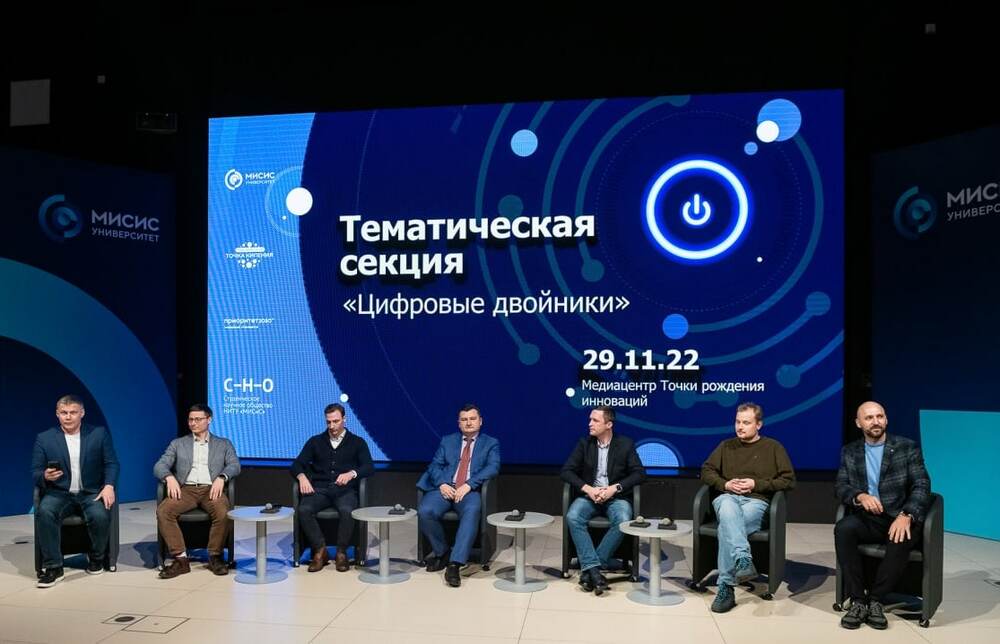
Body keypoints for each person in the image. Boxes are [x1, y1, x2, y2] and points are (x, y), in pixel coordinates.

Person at [834, 401, 932, 630]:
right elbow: (840, 486)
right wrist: (860, 496)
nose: (875, 421)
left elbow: (922, 484)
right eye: (869, 418)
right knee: (844, 529)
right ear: (859, 423)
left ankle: (876, 600)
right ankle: (858, 600)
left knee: (900, 537)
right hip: (870, 518)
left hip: (900, 515)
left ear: (886, 420)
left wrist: (907, 514)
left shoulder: (906, 447)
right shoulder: (850, 451)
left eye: (879, 416)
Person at [701, 402, 795, 613]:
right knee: (726, 505)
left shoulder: (773, 447)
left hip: (756, 502)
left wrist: (756, 484)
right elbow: (706, 471)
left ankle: (726, 587)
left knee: (726, 527)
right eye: (737, 422)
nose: (740, 427)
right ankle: (743, 558)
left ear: (758, 424)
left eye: (746, 422)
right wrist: (725, 484)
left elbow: (788, 480)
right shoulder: (726, 446)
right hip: (728, 497)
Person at [31, 394, 120, 587]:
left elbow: (111, 463)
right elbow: (35, 472)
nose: (68, 417)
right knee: (45, 512)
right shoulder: (44, 438)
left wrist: (109, 486)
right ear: (57, 414)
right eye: (64, 413)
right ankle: (54, 567)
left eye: (73, 412)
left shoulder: (98, 434)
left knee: (100, 515)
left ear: (82, 413)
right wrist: (45, 476)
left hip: (91, 492)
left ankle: (96, 558)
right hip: (58, 493)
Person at [560, 405, 646, 594]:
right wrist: (589, 489)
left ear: (609, 424)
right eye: (590, 419)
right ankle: (595, 572)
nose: (589, 424)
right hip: (589, 496)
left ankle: (591, 570)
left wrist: (614, 488)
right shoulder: (584, 443)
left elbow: (639, 474)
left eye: (595, 420)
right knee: (573, 516)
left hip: (616, 497)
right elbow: (566, 471)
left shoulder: (625, 444)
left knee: (623, 519)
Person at [416, 403, 500, 587]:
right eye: (464, 419)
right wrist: (442, 484)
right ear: (459, 423)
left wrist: (469, 484)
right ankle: (442, 552)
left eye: (472, 419)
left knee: (472, 510)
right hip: (446, 487)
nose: (468, 423)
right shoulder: (447, 441)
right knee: (425, 511)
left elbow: (493, 467)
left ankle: (454, 564)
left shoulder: (490, 443)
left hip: (470, 490)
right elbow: (434, 465)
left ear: (480, 421)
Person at [154, 403, 240, 578]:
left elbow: (235, 465)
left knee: (223, 512)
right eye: (191, 420)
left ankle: (215, 556)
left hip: (211, 489)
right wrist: (169, 477)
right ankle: (180, 559)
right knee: (164, 511)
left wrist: (222, 477)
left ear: (209, 420)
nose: (193, 423)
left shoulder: (223, 444)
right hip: (186, 490)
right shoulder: (178, 443)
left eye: (198, 419)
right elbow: (159, 465)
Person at [291, 403, 374, 572]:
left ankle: (341, 552)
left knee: (347, 510)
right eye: (328, 422)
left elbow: (369, 467)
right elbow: (297, 464)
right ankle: (320, 550)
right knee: (304, 509)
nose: (332, 426)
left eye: (336, 421)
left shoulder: (357, 442)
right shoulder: (315, 441)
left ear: (344, 419)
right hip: (320, 490)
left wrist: (352, 473)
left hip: (344, 491)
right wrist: (302, 477)